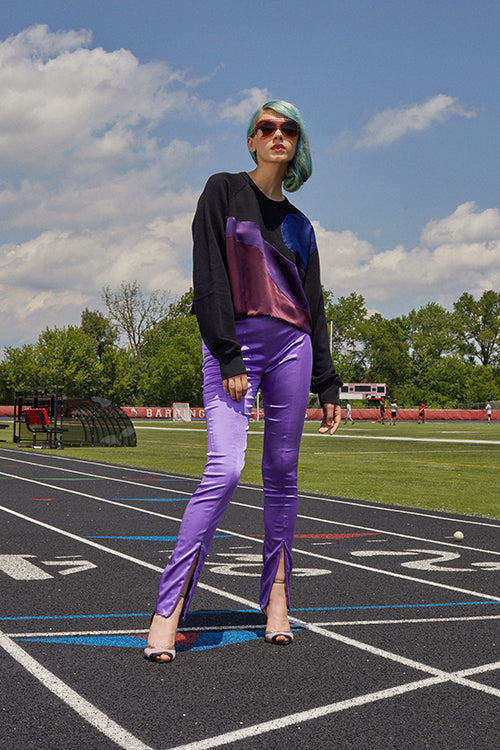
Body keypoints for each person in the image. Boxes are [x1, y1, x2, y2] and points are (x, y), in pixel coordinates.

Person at [144, 100, 343, 663]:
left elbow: (315, 304)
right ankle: (169, 608)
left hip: (292, 347)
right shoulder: (222, 190)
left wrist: (327, 383)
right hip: (235, 346)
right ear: (251, 141)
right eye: (266, 127)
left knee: (282, 474)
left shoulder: (302, 226)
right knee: (226, 468)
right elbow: (207, 273)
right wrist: (228, 354)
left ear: (297, 144)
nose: (277, 135)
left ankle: (276, 596)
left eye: (288, 129)